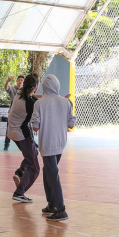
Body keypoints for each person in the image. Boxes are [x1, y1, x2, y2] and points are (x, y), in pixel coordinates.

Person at [32, 74, 76, 221]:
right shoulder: (66, 102)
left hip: (48, 144)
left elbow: (35, 127)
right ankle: (51, 204)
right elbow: (71, 124)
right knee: (48, 171)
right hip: (60, 144)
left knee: (52, 174)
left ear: (44, 87)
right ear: (57, 85)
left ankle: (61, 209)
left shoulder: (39, 104)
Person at [8, 73, 40, 203]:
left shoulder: (20, 92)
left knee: (34, 153)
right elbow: (40, 105)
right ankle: (19, 192)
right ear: (36, 86)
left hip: (12, 132)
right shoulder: (31, 104)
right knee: (35, 167)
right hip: (21, 134)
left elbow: (35, 98)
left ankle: (19, 173)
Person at [3, 76, 24, 150]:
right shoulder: (12, 89)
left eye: (22, 80)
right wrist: (8, 81)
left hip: (21, 113)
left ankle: (25, 144)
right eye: (19, 80)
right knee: (9, 128)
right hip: (12, 113)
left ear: (23, 82)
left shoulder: (24, 90)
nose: (20, 81)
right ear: (17, 81)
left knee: (24, 128)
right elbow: (6, 88)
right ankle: (6, 144)